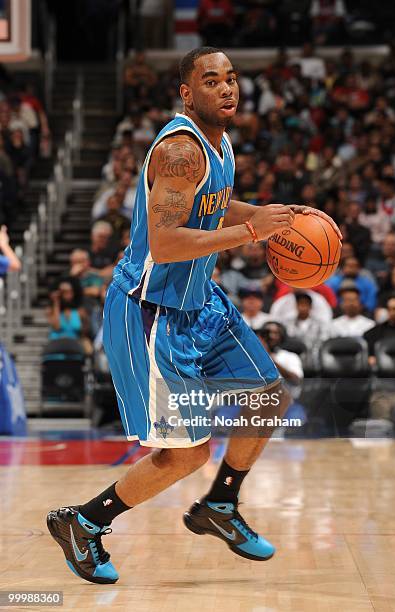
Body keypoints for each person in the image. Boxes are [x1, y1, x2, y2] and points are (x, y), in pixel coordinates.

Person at [47, 47, 341, 585]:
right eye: (212, 81)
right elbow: (165, 239)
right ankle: (84, 523)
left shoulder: (219, 143)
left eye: (231, 79)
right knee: (187, 453)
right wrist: (252, 233)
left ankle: (219, 507)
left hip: (201, 302)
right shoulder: (181, 149)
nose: (227, 89)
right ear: (187, 92)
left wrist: (270, 218)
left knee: (268, 396)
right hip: (151, 314)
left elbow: (213, 204)